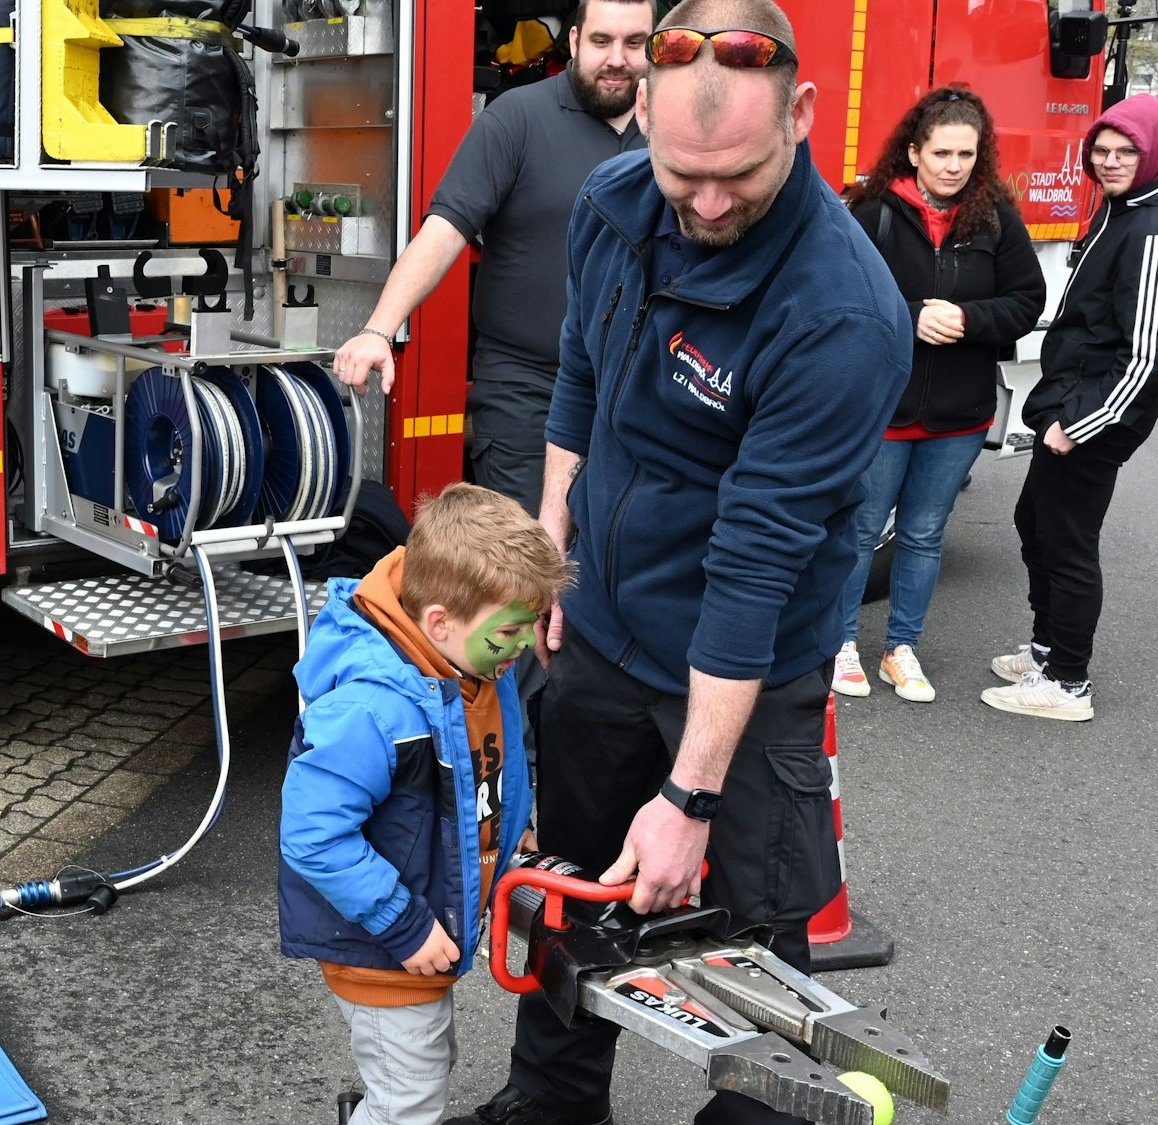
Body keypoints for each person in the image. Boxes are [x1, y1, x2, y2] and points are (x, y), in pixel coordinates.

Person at [451, 3, 911, 1123]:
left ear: (801, 115)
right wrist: (553, 529)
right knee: (571, 891)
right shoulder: (615, 203)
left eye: (739, 178)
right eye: (682, 175)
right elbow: (579, 367)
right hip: (604, 629)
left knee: (757, 948)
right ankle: (549, 1109)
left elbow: (754, 566)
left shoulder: (839, 312)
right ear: (641, 112)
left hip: (746, 678)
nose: (707, 205)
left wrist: (689, 792)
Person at [278, 483, 571, 1125]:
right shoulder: (373, 708)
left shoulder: (475, 663)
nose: (524, 644)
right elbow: (313, 836)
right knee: (409, 1098)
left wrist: (508, 824)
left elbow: (485, 763)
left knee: (419, 1072)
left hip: (411, 936)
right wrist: (403, 924)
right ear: (439, 621)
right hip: (384, 947)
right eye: (512, 631)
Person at [331, 0, 653, 516]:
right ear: (573, 42)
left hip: (640, 394)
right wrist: (378, 330)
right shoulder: (518, 118)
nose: (617, 58)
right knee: (524, 573)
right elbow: (445, 228)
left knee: (616, 569)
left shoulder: (674, 132)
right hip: (528, 394)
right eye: (601, 41)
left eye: (634, 43)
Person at [979, 93, 1158, 722]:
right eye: (1102, 151)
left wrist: (1079, 428)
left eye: (1125, 152)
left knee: (1068, 543)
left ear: (1156, 152)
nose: (1110, 162)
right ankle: (1046, 649)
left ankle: (1068, 683)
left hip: (1091, 420)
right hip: (1070, 406)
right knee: (1036, 525)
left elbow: (1148, 355)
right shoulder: (1121, 210)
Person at [828, 86, 1044, 703]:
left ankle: (902, 649)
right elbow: (839, 296)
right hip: (884, 410)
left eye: (966, 154)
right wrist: (910, 314)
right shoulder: (871, 212)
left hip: (959, 414)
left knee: (923, 535)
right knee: (862, 528)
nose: (954, 166)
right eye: (942, 152)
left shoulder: (997, 219)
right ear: (914, 152)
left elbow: (1028, 301)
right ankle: (841, 643)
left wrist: (970, 320)